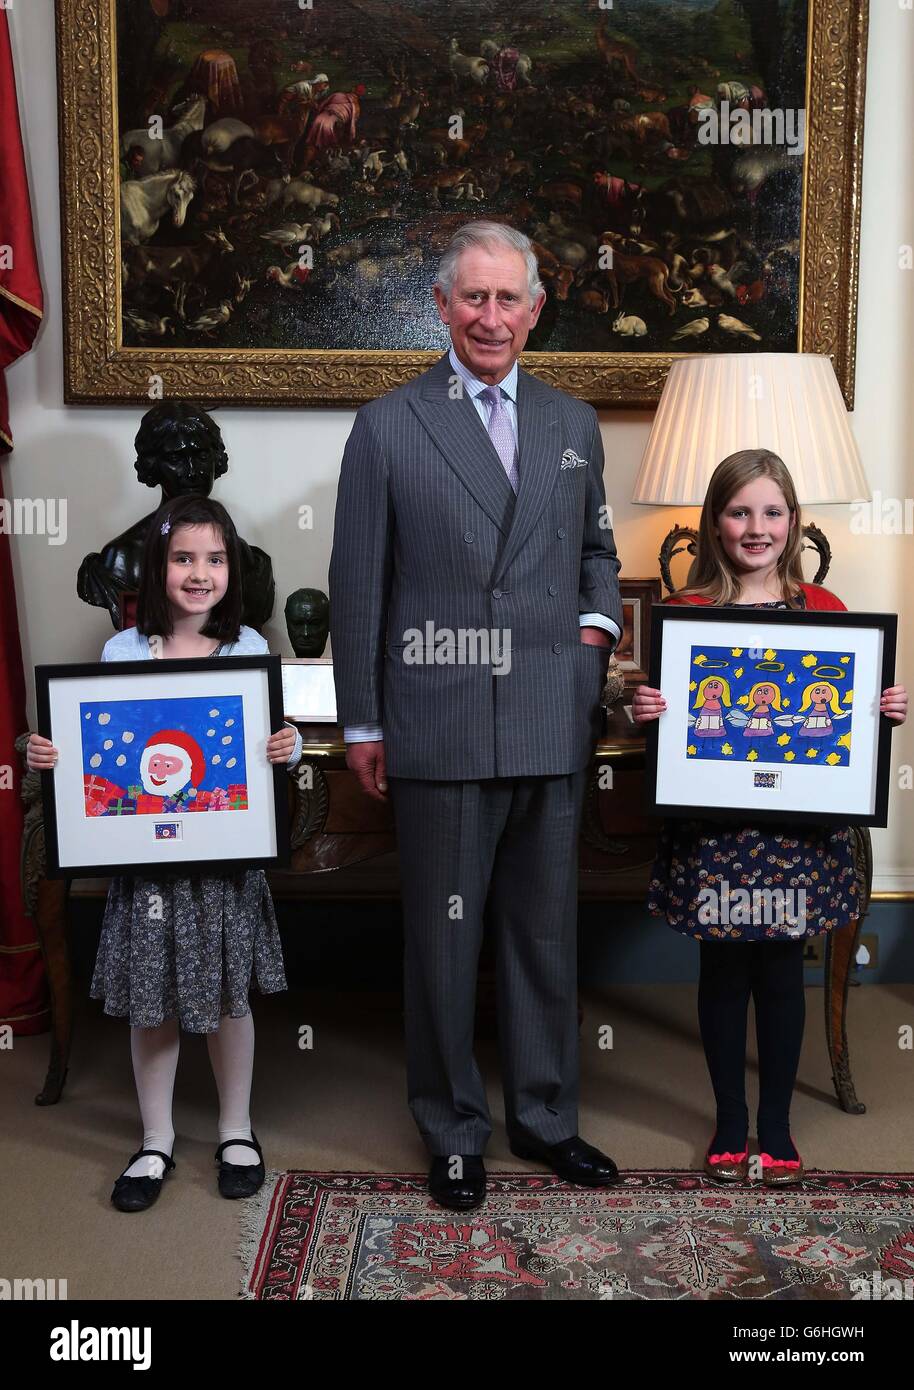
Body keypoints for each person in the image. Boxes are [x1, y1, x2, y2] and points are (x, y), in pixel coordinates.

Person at [329, 220, 624, 1210]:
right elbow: (358, 586)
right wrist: (362, 722)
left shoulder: (571, 424)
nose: (490, 316)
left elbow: (595, 551)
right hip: (439, 717)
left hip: (548, 709)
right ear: (441, 307)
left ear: (536, 309)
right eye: (473, 298)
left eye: (509, 299)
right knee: (445, 937)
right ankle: (453, 1129)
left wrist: (590, 642)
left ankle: (544, 1119)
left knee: (542, 933)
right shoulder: (386, 425)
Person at [633, 449, 907, 1185]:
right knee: (723, 973)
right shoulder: (685, 614)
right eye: (739, 511)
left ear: (794, 522)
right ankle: (729, 1121)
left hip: (797, 836)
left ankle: (777, 1125)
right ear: (714, 524)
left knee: (784, 975)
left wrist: (884, 712)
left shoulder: (828, 614)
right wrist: (644, 710)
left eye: (773, 512)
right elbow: (658, 728)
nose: (758, 528)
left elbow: (849, 731)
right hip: (715, 833)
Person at [28, 494, 301, 1211]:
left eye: (214, 559)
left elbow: (272, 743)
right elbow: (93, 752)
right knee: (151, 1003)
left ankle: (236, 1131)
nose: (199, 573)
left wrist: (288, 745)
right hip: (145, 871)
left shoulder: (248, 652)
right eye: (184, 558)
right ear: (158, 567)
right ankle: (155, 1141)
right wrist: (48, 753)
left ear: (231, 571)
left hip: (225, 868)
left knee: (227, 997)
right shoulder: (122, 652)